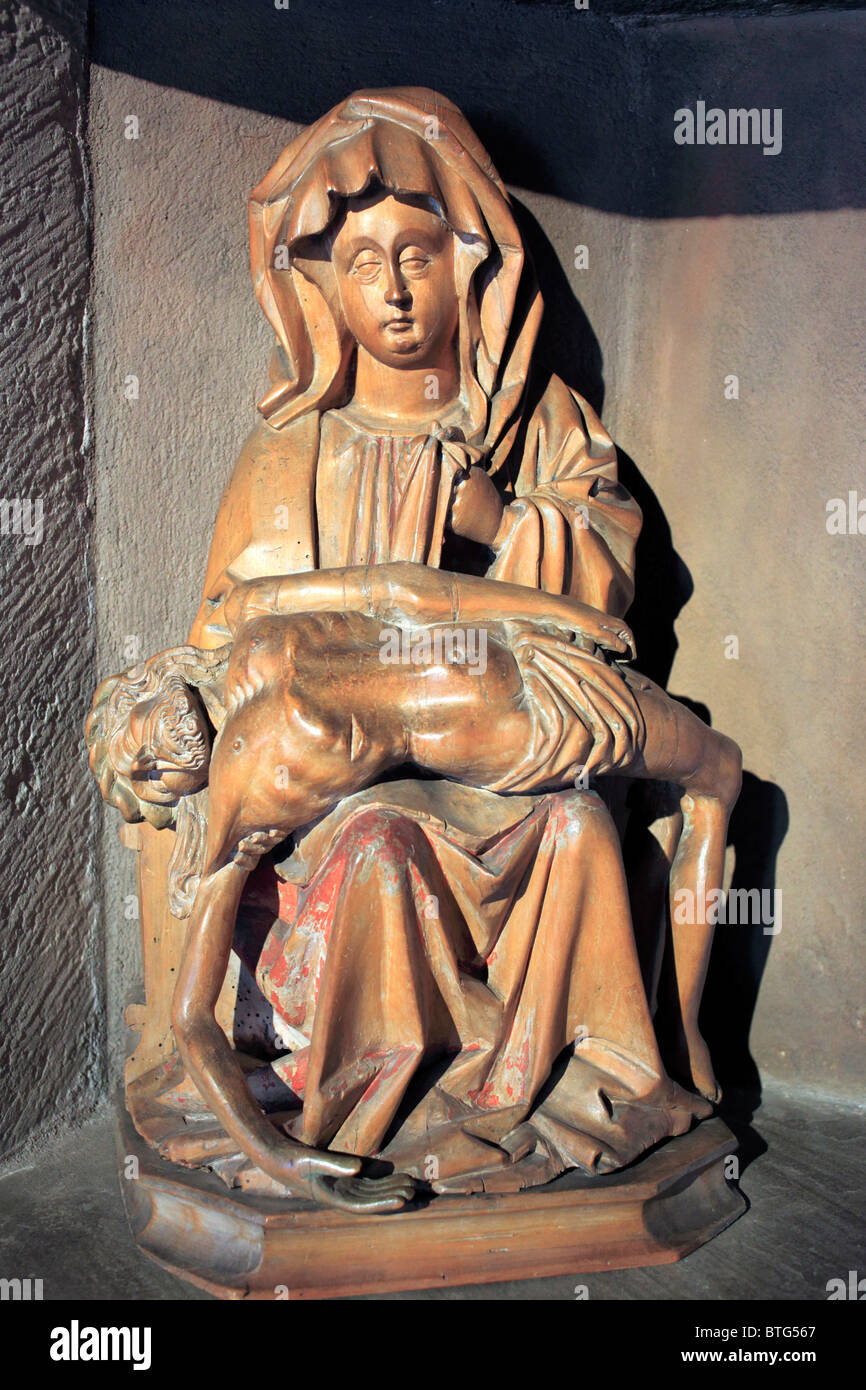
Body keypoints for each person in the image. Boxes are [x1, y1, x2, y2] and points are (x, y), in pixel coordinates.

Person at [88, 561, 740, 1209]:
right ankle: (683, 1033)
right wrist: (281, 1157)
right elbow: (192, 1017)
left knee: (718, 774)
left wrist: (555, 612)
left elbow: (401, 590)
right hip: (524, 735)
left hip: (515, 649)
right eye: (150, 780)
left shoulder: (247, 620)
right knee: (717, 773)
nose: (157, 761)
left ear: (142, 685)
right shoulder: (236, 811)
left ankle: (679, 1035)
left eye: (133, 742)